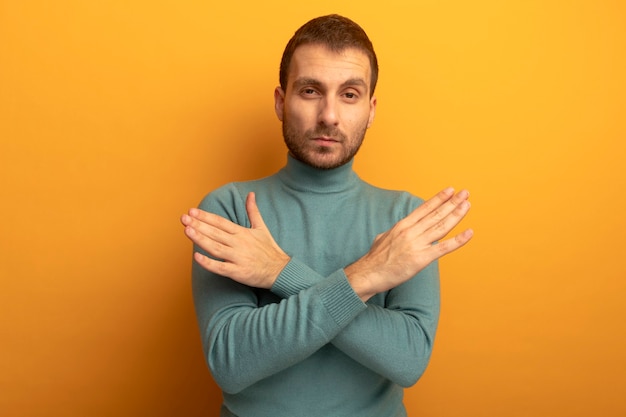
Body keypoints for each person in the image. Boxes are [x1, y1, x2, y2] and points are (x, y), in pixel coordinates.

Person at [180, 14, 473, 417]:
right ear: (282, 102)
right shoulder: (229, 210)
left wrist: (281, 272)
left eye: (349, 94)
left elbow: (408, 361)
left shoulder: (406, 219)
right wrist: (367, 276)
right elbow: (232, 364)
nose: (329, 116)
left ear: (370, 110)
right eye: (311, 90)